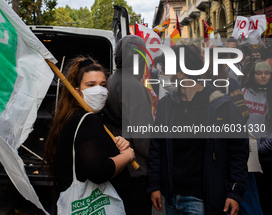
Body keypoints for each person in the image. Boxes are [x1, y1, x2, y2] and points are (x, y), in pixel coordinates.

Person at [148, 44, 249, 215]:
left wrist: (234, 191)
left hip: (202, 201)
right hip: (172, 198)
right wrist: (154, 185)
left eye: (164, 70)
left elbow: (238, 151)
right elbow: (157, 147)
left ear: (180, 73)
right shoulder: (166, 105)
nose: (161, 75)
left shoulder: (221, 106)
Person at [44, 56, 136, 215]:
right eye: (91, 85)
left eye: (103, 85)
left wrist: (115, 147)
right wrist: (127, 156)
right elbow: (97, 171)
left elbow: (89, 156)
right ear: (77, 91)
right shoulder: (87, 120)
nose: (99, 91)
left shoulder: (73, 117)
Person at [104, 35, 154, 215]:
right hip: (135, 172)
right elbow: (144, 139)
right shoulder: (134, 87)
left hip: (116, 168)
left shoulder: (110, 81)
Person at [242, 60, 272, 215]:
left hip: (266, 157)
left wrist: (261, 148)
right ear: (252, 75)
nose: (263, 76)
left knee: (266, 196)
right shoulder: (243, 92)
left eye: (267, 73)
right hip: (246, 155)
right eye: (259, 73)